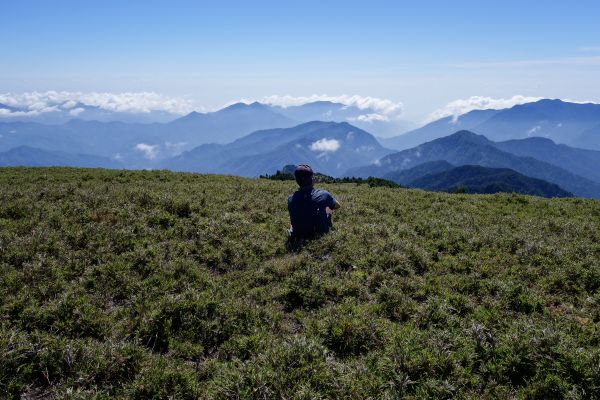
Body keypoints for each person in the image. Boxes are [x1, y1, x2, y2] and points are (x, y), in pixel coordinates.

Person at [287, 164, 341, 240]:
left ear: (297, 180)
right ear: (312, 179)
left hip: (297, 235)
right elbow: (338, 205)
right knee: (329, 207)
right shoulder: (324, 195)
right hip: (319, 234)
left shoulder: (290, 198)